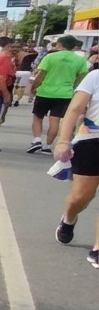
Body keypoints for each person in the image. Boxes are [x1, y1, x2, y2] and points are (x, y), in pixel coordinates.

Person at [52, 65, 99, 260]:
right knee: (80, 197)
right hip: (92, 142)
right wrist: (63, 141)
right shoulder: (95, 76)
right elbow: (74, 109)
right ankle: (69, 218)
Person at [27, 35, 88, 154]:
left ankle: (37, 140)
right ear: (74, 46)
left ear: (60, 44)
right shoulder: (80, 60)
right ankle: (47, 145)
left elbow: (41, 75)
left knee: (38, 117)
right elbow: (80, 78)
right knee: (55, 120)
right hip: (65, 94)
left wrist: (34, 88)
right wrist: (72, 88)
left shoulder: (50, 57)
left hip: (45, 91)